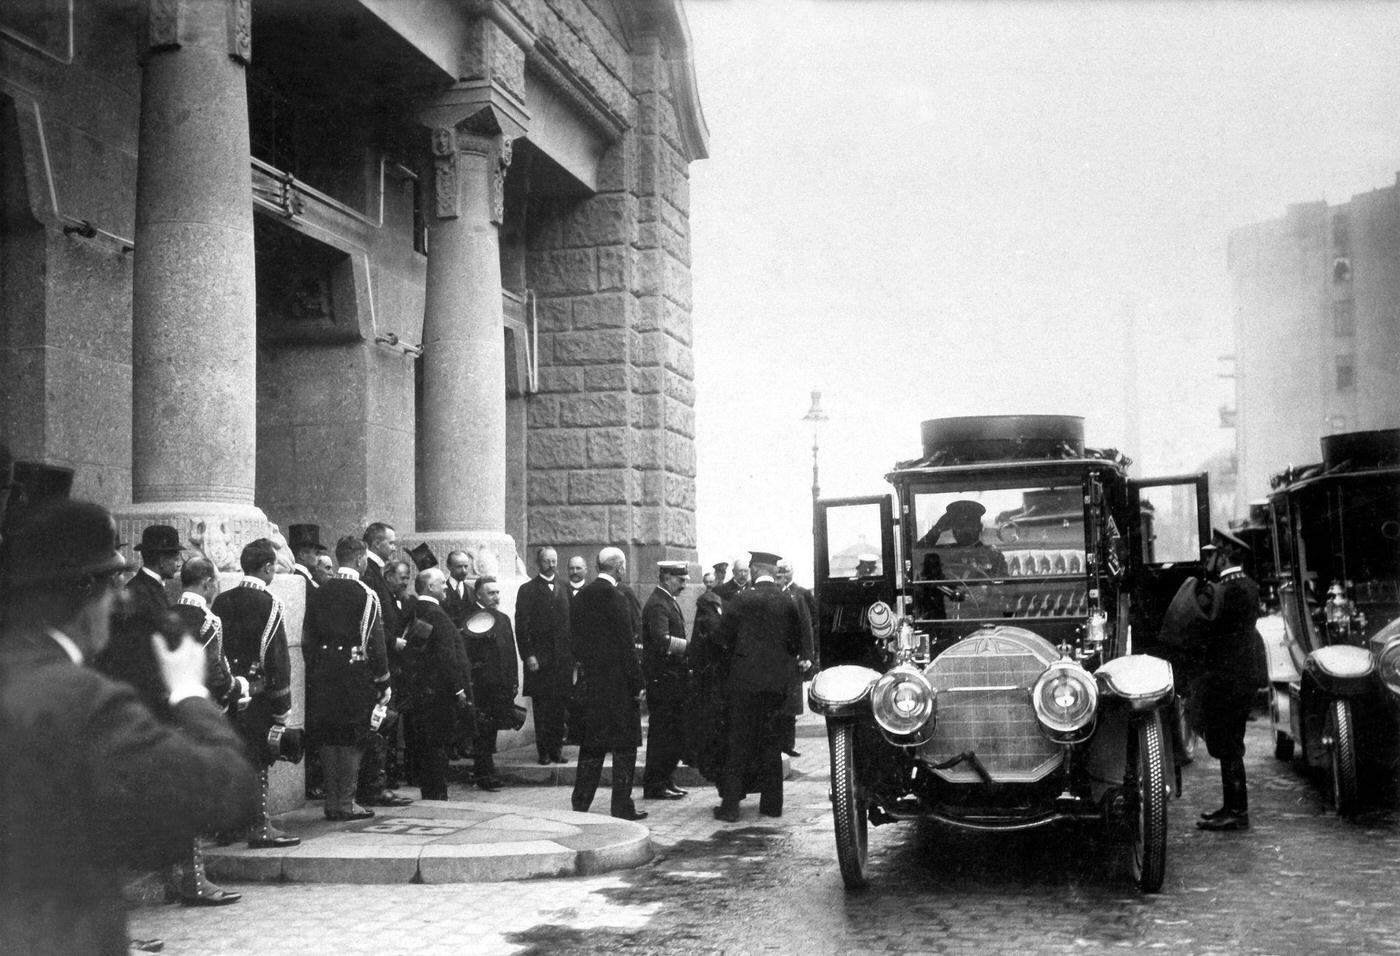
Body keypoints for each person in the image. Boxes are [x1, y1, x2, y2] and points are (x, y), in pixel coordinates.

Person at [0, 500, 258, 955]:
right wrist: (189, 694)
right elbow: (224, 790)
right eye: (111, 583)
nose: (120, 598)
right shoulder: (79, 699)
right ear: (84, 593)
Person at [168, 556, 249, 906]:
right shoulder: (207, 620)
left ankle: (176, 876)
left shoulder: (168, 615)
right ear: (206, 584)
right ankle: (195, 880)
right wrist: (237, 689)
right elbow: (215, 671)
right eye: (214, 582)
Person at [710, 551, 813, 822]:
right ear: (773, 570)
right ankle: (772, 805)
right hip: (777, 684)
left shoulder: (741, 599)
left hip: (744, 683)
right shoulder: (788, 600)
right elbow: (795, 642)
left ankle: (730, 807)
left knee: (739, 742)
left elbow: (722, 637)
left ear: (754, 569)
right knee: (772, 744)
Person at [211, 537, 300, 849]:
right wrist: (282, 706)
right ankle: (260, 826)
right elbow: (277, 659)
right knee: (258, 760)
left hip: (226, 694)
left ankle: (228, 826)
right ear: (266, 567)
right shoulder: (270, 604)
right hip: (259, 695)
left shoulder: (221, 601)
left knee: (231, 757)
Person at [303, 536, 391, 822]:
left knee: (329, 735)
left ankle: (331, 801)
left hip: (324, 673)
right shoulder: (366, 594)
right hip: (355, 674)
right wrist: (382, 680)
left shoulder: (320, 590)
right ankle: (346, 802)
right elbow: (375, 643)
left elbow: (308, 638)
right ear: (360, 559)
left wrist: (317, 668)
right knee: (353, 735)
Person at [1192, 530, 1263, 832]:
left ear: (1224, 556)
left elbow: (1210, 629)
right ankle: (1230, 807)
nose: (1209, 560)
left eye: (1213, 554)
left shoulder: (1230, 590)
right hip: (1236, 679)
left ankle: (1236, 811)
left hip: (1228, 680)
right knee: (1227, 742)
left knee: (1229, 744)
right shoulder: (1244, 586)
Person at [570, 547, 647, 821]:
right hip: (619, 687)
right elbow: (628, 646)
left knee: (591, 747)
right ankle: (621, 807)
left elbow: (575, 641)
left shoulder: (581, 597)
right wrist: (638, 682)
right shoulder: (617, 597)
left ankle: (580, 805)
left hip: (592, 684)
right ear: (619, 567)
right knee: (624, 749)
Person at [94, 523, 184, 717]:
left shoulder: (151, 588)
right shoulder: (141, 591)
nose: (180, 562)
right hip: (144, 694)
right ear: (161, 560)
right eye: (176, 557)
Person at [403, 567, 473, 800]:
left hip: (422, 691)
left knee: (425, 745)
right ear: (431, 587)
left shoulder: (418, 610)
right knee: (437, 746)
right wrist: (459, 689)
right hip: (439, 694)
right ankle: (437, 793)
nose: (446, 587)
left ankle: (431, 791)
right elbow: (446, 657)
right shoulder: (436, 614)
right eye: (442, 583)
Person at [357, 521, 413, 809]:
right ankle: (375, 786)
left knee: (385, 725)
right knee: (379, 725)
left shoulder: (376, 574)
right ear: (377, 543)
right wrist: (392, 643)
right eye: (390, 543)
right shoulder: (370, 575)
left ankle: (381, 783)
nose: (394, 547)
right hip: (382, 661)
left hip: (388, 659)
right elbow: (372, 622)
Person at [516, 546, 574, 765]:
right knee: (542, 707)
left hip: (562, 659)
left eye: (554, 561)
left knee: (559, 706)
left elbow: (571, 622)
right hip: (540, 660)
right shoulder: (527, 590)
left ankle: (557, 748)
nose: (551, 565)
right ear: (538, 564)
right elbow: (522, 627)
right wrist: (529, 655)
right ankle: (543, 752)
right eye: (547, 561)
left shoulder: (565, 587)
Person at [641, 561, 692, 800]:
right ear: (666, 577)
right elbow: (662, 640)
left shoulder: (666, 601)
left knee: (671, 734)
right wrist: (691, 649)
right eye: (680, 580)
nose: (684, 585)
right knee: (662, 735)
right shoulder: (657, 604)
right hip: (663, 681)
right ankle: (655, 785)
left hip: (672, 680)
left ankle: (665, 780)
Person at [463, 575, 519, 791]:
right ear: (478, 595)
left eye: (497, 592)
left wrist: (513, 680)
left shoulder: (503, 618)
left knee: (492, 729)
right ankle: (484, 774)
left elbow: (510, 651)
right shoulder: (471, 618)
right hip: (483, 685)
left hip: (501, 684)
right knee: (483, 731)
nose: (495, 597)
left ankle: (486, 771)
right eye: (490, 593)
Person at [775, 559, 817, 758]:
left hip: (792, 658)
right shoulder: (772, 594)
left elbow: (807, 627)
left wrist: (807, 655)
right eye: (779, 572)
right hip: (775, 659)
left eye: (786, 572)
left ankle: (788, 744)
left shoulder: (800, 594)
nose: (782, 576)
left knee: (790, 705)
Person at [443, 549, 477, 630]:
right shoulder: (441, 590)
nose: (464, 571)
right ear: (449, 567)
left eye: (466, 566)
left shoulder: (472, 592)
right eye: (459, 567)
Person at [288, 523, 324, 592]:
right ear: (302, 555)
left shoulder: (293, 575)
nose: (320, 558)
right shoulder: (301, 581)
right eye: (317, 554)